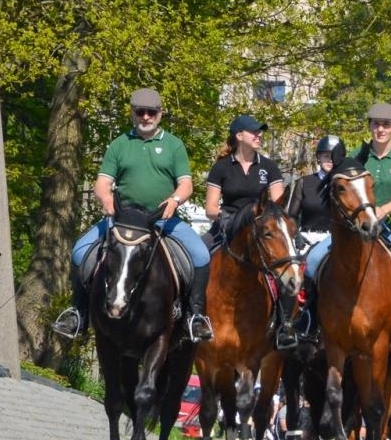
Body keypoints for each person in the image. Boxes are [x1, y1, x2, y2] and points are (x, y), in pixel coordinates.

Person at [53, 88, 213, 343]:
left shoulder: (174, 145)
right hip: (123, 219)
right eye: (141, 112)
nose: (146, 117)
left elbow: (186, 185)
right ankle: (78, 314)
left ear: (160, 114)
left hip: (162, 220)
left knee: (201, 255)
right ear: (132, 113)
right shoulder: (119, 144)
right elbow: (103, 182)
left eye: (151, 112)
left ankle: (195, 317)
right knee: (80, 251)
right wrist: (106, 199)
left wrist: (174, 200)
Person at [303, 102, 391, 343]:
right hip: (356, 230)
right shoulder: (357, 155)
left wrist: (383, 210)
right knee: (314, 260)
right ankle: (309, 320)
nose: (380, 129)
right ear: (370, 127)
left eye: (386, 125)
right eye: (376, 124)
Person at [204, 113, 284, 248]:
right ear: (239, 136)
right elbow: (210, 209)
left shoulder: (270, 166)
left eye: (259, 131)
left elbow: (279, 205)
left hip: (260, 228)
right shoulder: (221, 167)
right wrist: (225, 216)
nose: (259, 135)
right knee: (200, 257)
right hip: (226, 227)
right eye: (254, 131)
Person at [294, 135, 341, 242]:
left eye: (335, 156)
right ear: (318, 157)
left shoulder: (347, 184)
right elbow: (292, 216)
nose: (331, 160)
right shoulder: (303, 182)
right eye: (326, 156)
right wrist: (296, 235)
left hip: (337, 240)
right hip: (308, 238)